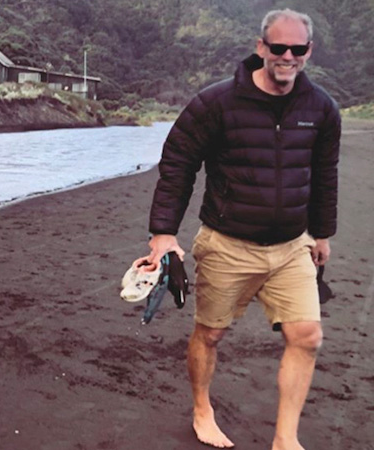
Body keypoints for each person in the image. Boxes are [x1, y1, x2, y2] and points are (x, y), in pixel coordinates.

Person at [146, 9, 341, 450]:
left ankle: (285, 438)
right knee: (210, 334)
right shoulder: (216, 103)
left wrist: (322, 233)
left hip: (292, 245)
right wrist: (163, 233)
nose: (287, 56)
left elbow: (324, 174)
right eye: (278, 48)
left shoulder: (322, 108)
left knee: (307, 336)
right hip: (227, 243)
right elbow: (177, 164)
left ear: (309, 51)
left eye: (297, 49)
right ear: (261, 48)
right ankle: (202, 409)